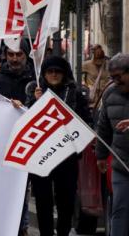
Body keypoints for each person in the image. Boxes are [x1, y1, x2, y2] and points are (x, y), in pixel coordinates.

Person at [25, 56, 91, 236]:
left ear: (65, 74)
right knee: (43, 200)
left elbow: (87, 122)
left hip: (67, 156)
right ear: (44, 74)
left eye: (58, 71)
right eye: (50, 71)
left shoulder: (75, 94)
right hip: (41, 156)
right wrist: (35, 102)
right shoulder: (35, 92)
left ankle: (63, 232)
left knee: (66, 200)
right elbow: (25, 121)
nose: (54, 75)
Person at [97, 53, 129, 236]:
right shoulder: (110, 93)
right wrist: (101, 156)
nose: (116, 81)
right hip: (121, 164)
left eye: (119, 76)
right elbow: (103, 128)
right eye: (113, 77)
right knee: (120, 209)